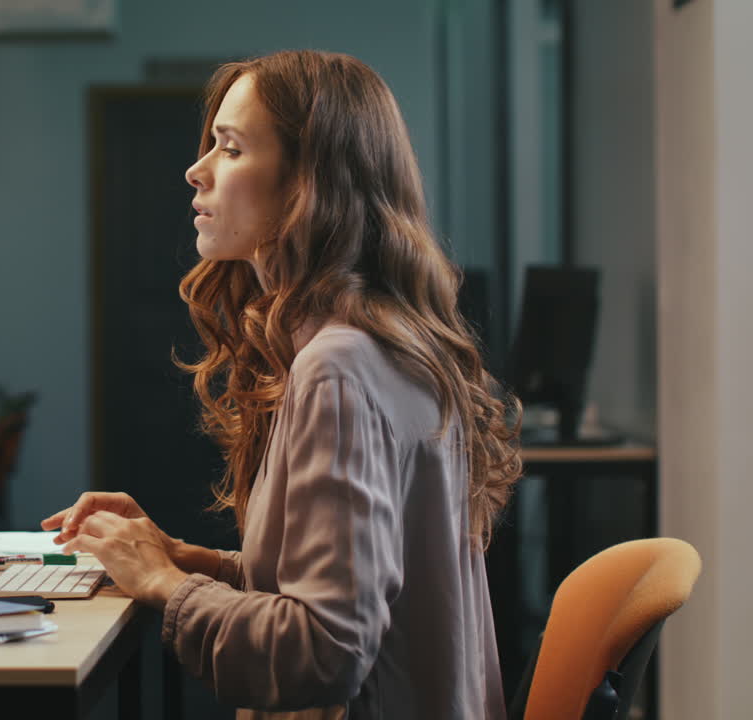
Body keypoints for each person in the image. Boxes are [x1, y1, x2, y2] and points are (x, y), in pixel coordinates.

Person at [43, 50, 522, 719]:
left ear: (308, 185)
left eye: (231, 148)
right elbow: (339, 589)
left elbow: (322, 652)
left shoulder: (338, 367)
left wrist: (161, 583)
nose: (196, 169)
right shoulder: (388, 343)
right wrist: (180, 559)